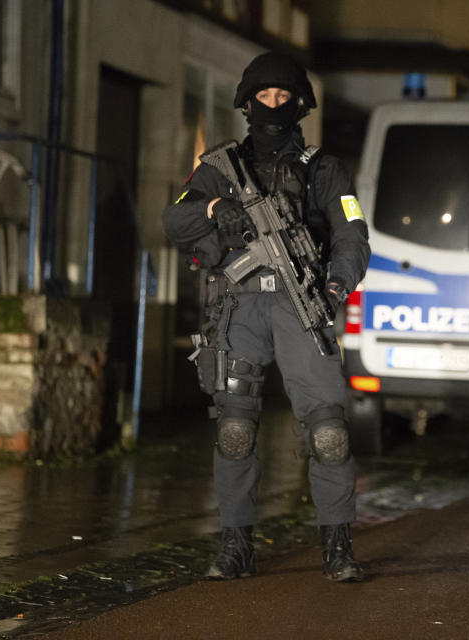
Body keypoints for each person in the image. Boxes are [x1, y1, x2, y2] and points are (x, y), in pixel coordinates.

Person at [163, 51, 370, 582]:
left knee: (328, 431)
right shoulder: (217, 167)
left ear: (299, 104)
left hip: (302, 302)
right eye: (265, 96)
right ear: (247, 102)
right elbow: (175, 218)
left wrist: (337, 282)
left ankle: (338, 544)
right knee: (234, 428)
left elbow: (351, 232)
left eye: (283, 97)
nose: (273, 105)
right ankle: (236, 546)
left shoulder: (324, 168)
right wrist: (214, 209)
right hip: (240, 304)